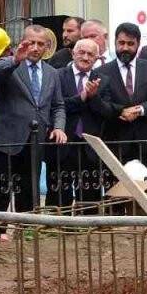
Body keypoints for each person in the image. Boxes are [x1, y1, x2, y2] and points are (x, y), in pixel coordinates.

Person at [0, 25, 66, 219]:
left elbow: (58, 105)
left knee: (29, 188)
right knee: (0, 187)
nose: (35, 48)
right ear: (23, 42)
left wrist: (59, 127)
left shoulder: (52, 73)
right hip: (7, 138)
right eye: (31, 43)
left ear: (47, 47)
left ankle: (26, 228)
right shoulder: (10, 64)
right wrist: (15, 59)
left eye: (40, 44)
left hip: (35, 140)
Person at [93, 22, 147, 165]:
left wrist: (140, 110)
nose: (125, 48)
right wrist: (121, 111)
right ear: (114, 42)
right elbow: (102, 104)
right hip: (116, 144)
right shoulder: (102, 72)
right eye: (121, 43)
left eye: (130, 43)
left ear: (138, 44)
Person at [53, 38, 103, 206]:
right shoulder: (57, 75)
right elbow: (56, 105)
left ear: (97, 58)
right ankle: (58, 228)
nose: (85, 57)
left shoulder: (103, 79)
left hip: (90, 144)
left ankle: (87, 228)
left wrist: (93, 97)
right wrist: (81, 98)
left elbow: (107, 110)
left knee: (90, 194)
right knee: (60, 192)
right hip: (63, 142)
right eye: (81, 52)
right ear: (73, 53)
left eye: (90, 54)